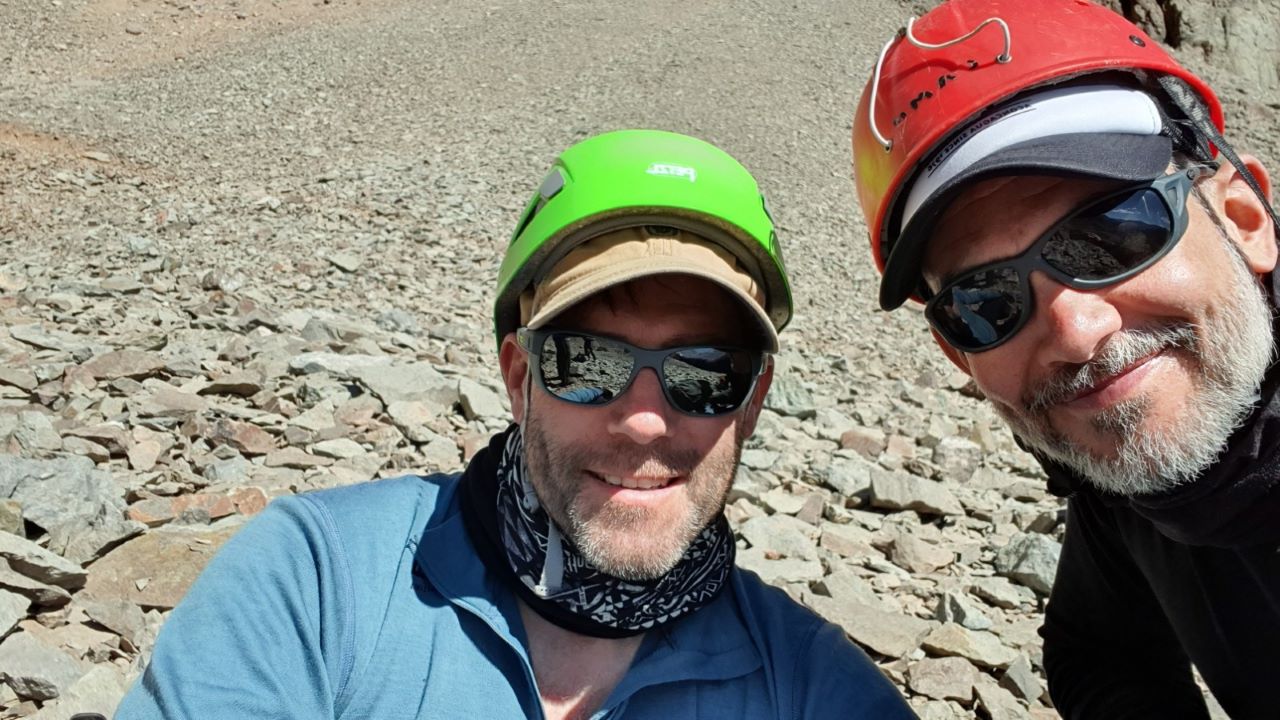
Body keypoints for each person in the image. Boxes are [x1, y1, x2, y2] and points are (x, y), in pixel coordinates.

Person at [117, 129, 914, 719]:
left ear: (755, 399)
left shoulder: (818, 690)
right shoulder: (316, 584)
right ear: (519, 375)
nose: (643, 420)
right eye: (587, 362)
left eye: (705, 374)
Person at [851, 0, 1280, 717]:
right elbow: (1098, 645)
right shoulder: (1127, 471)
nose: (1077, 334)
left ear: (1244, 220)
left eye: (1114, 232)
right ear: (958, 355)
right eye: (986, 301)